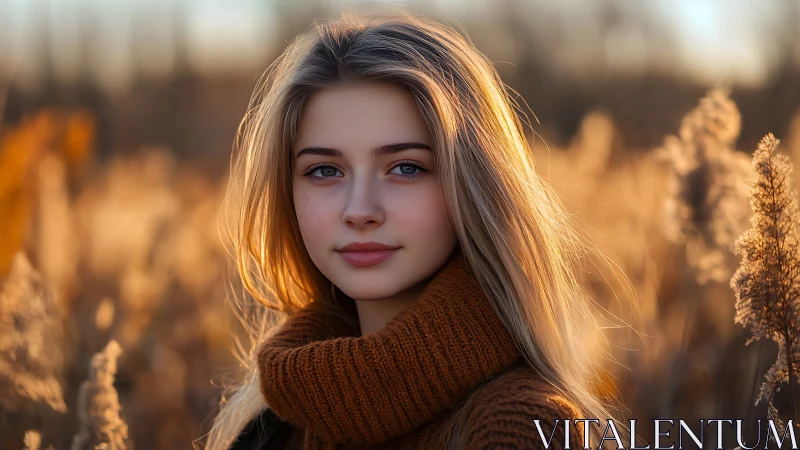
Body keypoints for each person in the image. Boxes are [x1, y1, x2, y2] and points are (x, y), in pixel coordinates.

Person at [205, 10, 625, 450]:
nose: (360, 210)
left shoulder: (517, 427)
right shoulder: (278, 421)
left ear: (472, 183)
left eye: (406, 167)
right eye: (325, 170)